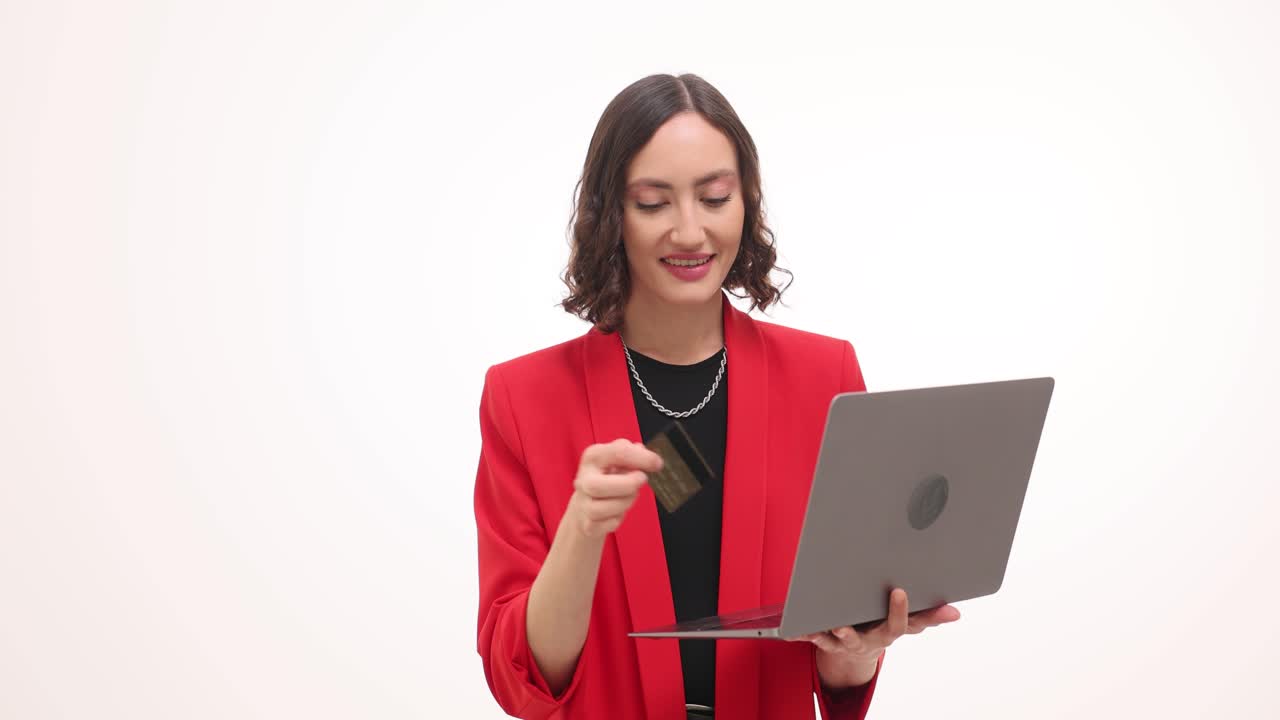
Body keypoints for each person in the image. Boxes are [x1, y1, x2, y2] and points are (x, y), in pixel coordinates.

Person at [473, 73, 960, 720]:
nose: (689, 232)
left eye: (714, 197)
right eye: (652, 203)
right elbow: (529, 681)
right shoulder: (522, 398)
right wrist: (582, 530)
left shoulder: (826, 378)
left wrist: (860, 647)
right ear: (609, 215)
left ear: (747, 202)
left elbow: (834, 671)